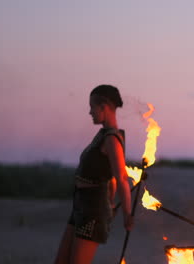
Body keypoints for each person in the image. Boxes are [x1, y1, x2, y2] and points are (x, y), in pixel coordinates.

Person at [55, 85, 133, 264]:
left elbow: (121, 177)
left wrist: (127, 213)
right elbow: (111, 179)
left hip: (93, 210)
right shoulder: (103, 135)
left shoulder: (112, 139)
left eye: (92, 107)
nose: (90, 112)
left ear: (103, 107)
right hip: (81, 205)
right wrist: (111, 203)